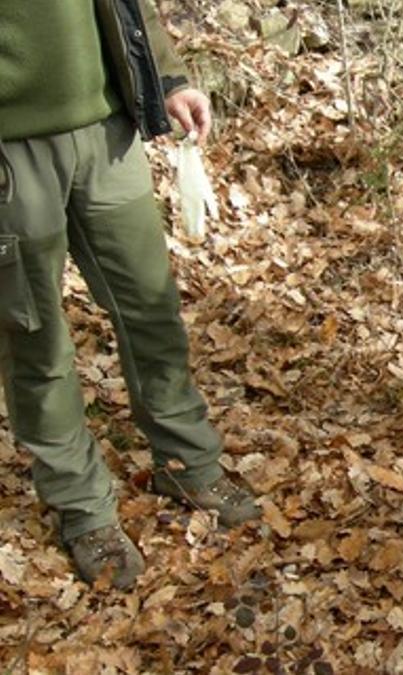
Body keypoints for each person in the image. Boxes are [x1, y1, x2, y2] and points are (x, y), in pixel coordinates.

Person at [0, 0, 261, 590]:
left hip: (106, 131)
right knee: (35, 338)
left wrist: (165, 78)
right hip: (10, 154)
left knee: (151, 310)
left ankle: (187, 464)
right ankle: (83, 509)